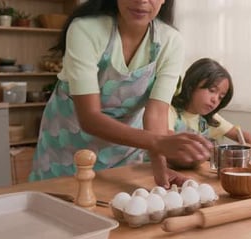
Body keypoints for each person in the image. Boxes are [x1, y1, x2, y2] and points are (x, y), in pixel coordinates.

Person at [29, 0, 212, 187]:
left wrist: (159, 167)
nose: (141, 1)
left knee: (116, 207)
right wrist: (158, 142)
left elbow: (156, 113)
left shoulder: (170, 41)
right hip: (66, 146)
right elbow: (89, 117)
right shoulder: (86, 30)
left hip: (124, 151)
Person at [168, 58, 251, 168]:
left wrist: (247, 148)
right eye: (212, 90)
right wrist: (222, 154)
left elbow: (249, 138)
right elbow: (172, 151)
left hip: (193, 176)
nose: (215, 100)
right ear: (192, 85)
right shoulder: (169, 111)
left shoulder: (211, 119)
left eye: (221, 97)